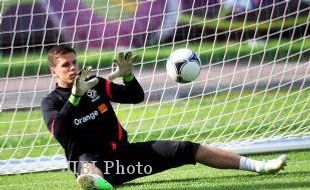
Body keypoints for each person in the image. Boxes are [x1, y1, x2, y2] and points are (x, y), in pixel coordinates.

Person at [41, 45, 288, 190]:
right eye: (65, 65)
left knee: (185, 148)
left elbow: (135, 96)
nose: (73, 68)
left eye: (74, 62)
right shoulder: (51, 102)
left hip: (125, 159)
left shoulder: (95, 85)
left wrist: (127, 75)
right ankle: (97, 184)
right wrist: (74, 97)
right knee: (87, 167)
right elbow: (61, 131)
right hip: (92, 163)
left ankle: (260, 166)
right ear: (54, 70)